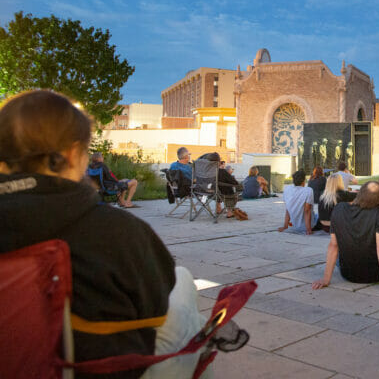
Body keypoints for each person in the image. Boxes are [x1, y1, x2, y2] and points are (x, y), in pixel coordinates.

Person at [0, 90, 207, 377]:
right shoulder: (118, 232)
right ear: (74, 154)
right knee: (183, 284)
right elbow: (154, 310)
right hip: (100, 369)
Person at [312, 181, 379, 297]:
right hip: (372, 274)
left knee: (341, 254)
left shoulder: (338, 208)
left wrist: (326, 279)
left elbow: (333, 246)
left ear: (359, 193)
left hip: (347, 272)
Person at [199, 152, 246, 220]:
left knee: (217, 188)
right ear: (218, 162)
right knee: (230, 189)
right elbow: (234, 182)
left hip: (208, 193)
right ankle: (229, 212)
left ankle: (218, 208)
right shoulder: (222, 171)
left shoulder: (204, 172)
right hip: (223, 194)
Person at [278, 170, 320, 234]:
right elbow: (307, 211)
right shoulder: (308, 190)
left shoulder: (287, 189)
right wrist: (308, 230)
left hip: (295, 225)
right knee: (319, 216)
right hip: (307, 226)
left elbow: (288, 209)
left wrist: (285, 226)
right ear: (303, 180)